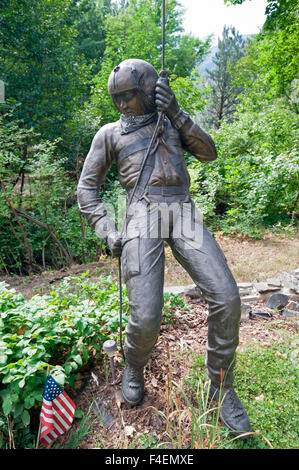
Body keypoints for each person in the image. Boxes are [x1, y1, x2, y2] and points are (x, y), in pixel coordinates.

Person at [77, 58, 251, 437]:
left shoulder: (170, 119)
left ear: (147, 92)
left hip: (183, 209)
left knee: (227, 296)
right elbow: (86, 188)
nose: (122, 104)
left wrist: (176, 110)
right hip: (141, 211)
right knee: (145, 316)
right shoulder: (109, 134)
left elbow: (209, 152)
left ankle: (221, 387)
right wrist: (107, 229)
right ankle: (134, 365)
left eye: (129, 97)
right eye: (117, 98)